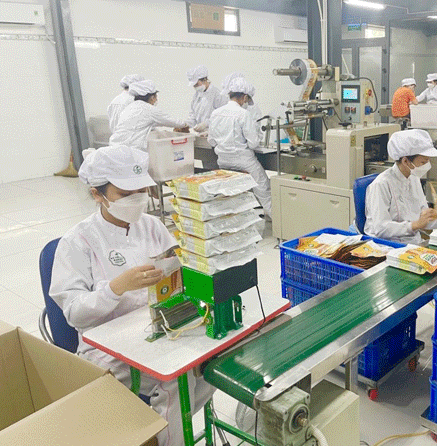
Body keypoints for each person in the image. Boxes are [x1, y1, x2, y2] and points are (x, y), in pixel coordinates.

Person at [50, 145, 214, 446]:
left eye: (141, 191)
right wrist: (117, 287)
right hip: (108, 347)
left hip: (158, 328)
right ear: (97, 194)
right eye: (126, 194)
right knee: (173, 382)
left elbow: (176, 270)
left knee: (211, 365)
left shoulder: (151, 226)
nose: (137, 200)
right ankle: (170, 434)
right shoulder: (78, 241)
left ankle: (161, 427)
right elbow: (73, 312)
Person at [364, 129, 437, 244]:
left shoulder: (413, 178)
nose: (427, 166)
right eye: (423, 163)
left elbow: (423, 217)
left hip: (412, 242)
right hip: (384, 245)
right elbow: (381, 228)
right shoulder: (381, 185)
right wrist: (414, 225)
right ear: (405, 161)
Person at [208, 77, 271, 217]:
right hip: (243, 161)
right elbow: (253, 143)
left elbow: (211, 141)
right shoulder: (244, 114)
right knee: (264, 188)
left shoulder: (215, 113)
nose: (246, 103)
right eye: (247, 100)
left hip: (223, 161)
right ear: (244, 97)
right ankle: (277, 223)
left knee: (231, 195)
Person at [109, 79, 189, 151]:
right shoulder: (148, 109)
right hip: (130, 151)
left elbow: (143, 126)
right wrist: (185, 125)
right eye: (155, 96)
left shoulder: (130, 107)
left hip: (115, 147)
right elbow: (172, 121)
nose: (156, 100)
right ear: (151, 97)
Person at [185, 65, 223, 133]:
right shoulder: (196, 95)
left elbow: (222, 117)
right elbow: (193, 116)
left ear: (204, 79)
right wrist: (185, 125)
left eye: (196, 84)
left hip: (215, 135)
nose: (195, 86)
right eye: (194, 85)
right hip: (201, 135)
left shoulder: (217, 94)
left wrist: (206, 124)